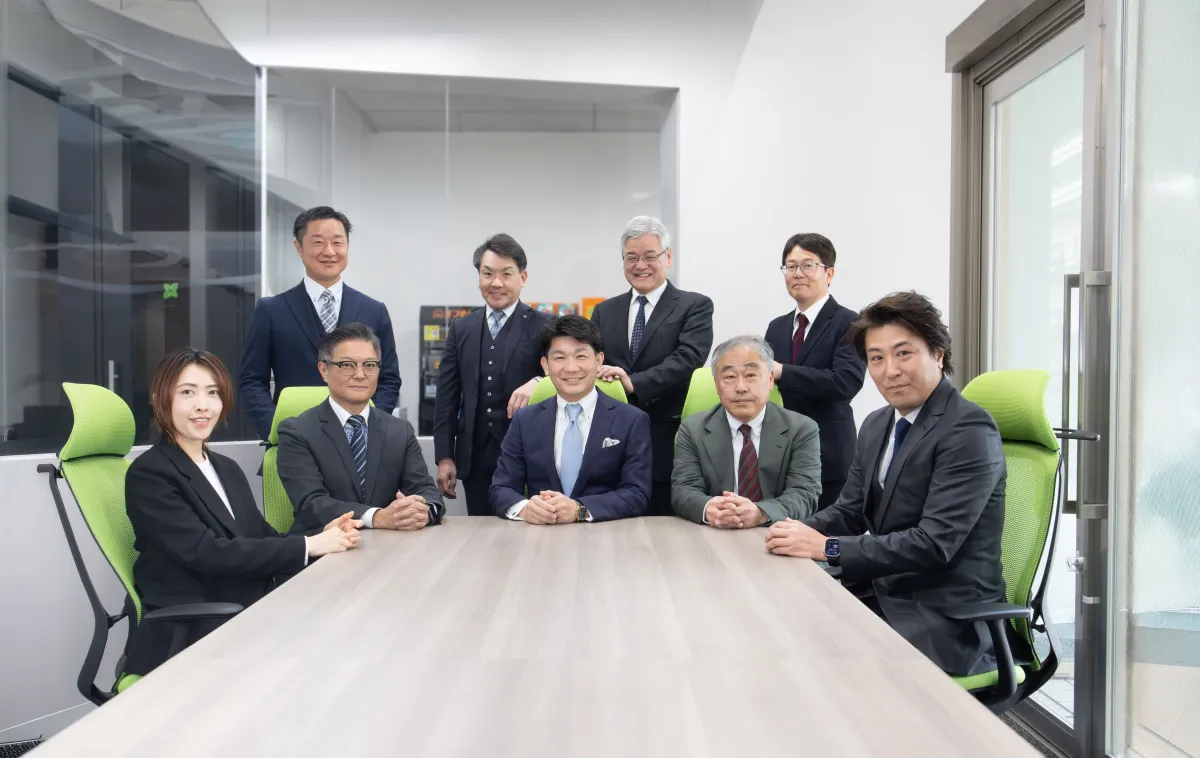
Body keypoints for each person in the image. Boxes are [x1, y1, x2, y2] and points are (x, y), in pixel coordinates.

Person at [765, 292, 1007, 677]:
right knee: (776, 619)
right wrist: (786, 532)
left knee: (814, 657)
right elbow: (849, 510)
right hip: (886, 591)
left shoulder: (968, 429)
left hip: (945, 616)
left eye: (903, 353)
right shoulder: (878, 423)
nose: (889, 370)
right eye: (876, 358)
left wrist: (827, 547)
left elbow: (933, 544)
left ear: (938, 354)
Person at [124, 349, 361, 676]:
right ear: (159, 399)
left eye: (213, 392)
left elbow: (259, 536)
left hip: (243, 608)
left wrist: (319, 536)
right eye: (187, 392)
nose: (203, 405)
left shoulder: (226, 468)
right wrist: (309, 546)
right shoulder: (150, 474)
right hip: (195, 626)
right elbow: (206, 553)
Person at [239, 206, 401, 442]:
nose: (329, 251)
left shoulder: (374, 310)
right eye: (318, 242)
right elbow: (252, 380)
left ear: (347, 246)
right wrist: (278, 428)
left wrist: (366, 426)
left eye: (337, 242)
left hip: (358, 442)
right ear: (299, 247)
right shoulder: (271, 310)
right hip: (291, 442)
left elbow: (389, 379)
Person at [590, 216, 714, 515]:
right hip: (610, 439)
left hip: (666, 437)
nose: (640, 265)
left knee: (665, 528)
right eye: (631, 257)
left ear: (668, 257)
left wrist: (634, 383)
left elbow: (688, 358)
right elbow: (590, 360)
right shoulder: (604, 310)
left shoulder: (694, 305)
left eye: (649, 256)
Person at [277, 323, 444, 534]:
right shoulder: (297, 432)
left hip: (388, 544)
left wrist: (423, 511)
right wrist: (377, 516)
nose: (360, 374)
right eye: (347, 365)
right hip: (325, 545)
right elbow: (311, 504)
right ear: (324, 370)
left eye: (370, 365)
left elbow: (426, 490)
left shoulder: (400, 431)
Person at [490, 315, 652, 523]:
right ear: (545, 365)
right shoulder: (525, 420)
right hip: (541, 532)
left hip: (605, 533)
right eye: (559, 358)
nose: (571, 368)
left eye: (581, 356)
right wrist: (525, 508)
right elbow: (501, 488)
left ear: (599, 360)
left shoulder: (632, 420)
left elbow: (638, 494)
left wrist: (579, 510)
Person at [433, 234, 552, 515]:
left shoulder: (544, 325)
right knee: (479, 531)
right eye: (488, 274)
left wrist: (539, 382)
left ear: (522, 277)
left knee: (531, 528)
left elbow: (566, 377)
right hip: (475, 456)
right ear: (479, 277)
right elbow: (447, 397)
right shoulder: (462, 328)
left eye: (506, 274)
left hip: (528, 453)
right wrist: (444, 457)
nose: (496, 283)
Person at [672, 335, 822, 526]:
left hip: (776, 531)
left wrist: (760, 513)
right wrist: (708, 508)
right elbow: (683, 490)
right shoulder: (692, 429)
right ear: (716, 385)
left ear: (770, 380)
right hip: (715, 531)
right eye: (730, 377)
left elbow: (804, 494)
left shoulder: (802, 429)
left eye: (751, 375)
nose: (741, 388)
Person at [765, 233, 865, 509]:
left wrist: (784, 372)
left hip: (829, 454)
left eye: (808, 265)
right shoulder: (776, 327)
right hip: (783, 455)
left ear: (829, 273)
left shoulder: (850, 322)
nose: (797, 273)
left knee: (827, 534)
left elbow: (846, 382)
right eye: (790, 266)